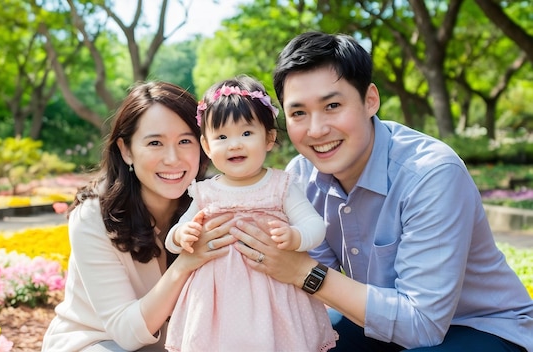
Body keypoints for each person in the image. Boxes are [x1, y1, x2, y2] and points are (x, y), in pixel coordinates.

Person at [228, 32, 533, 351]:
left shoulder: (430, 174)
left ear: (370, 100)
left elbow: (422, 326)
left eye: (332, 105)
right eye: (299, 113)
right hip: (377, 322)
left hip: (481, 326)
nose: (316, 129)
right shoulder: (300, 178)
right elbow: (313, 295)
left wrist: (303, 271)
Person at [41, 81, 236, 352]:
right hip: (97, 342)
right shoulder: (94, 217)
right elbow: (127, 333)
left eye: (185, 141)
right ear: (126, 150)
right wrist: (185, 264)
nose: (172, 158)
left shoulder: (213, 204)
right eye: (155, 142)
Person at [164, 76, 337, 352]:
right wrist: (182, 235)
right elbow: (172, 239)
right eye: (221, 137)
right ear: (207, 146)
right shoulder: (205, 192)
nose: (234, 144)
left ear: (269, 138)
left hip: (274, 297)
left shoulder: (281, 186)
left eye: (246, 133)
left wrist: (295, 237)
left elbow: (314, 226)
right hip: (217, 302)